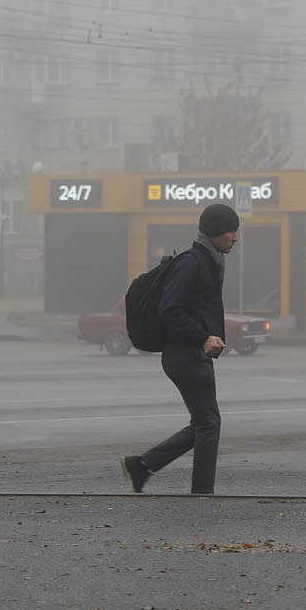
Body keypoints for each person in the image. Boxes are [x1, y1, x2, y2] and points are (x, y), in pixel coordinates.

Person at [121, 203, 239, 494]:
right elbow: (170, 310)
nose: (235, 238)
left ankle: (142, 465)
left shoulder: (207, 262)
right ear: (214, 232)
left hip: (193, 354)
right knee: (209, 423)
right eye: (230, 231)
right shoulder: (192, 263)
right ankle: (202, 493)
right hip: (185, 354)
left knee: (203, 423)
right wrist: (202, 337)